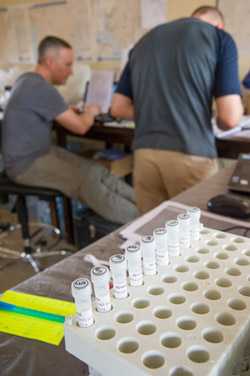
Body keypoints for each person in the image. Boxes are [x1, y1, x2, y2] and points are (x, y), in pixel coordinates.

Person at [111, 6, 243, 214]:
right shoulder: (219, 38)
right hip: (191, 154)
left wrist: (156, 113)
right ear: (219, 25)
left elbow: (118, 108)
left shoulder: (145, 42)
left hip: (145, 156)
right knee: (197, 236)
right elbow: (230, 118)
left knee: (153, 235)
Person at [2, 36, 139, 224]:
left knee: (95, 170)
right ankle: (144, 221)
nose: (71, 72)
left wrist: (69, 110)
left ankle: (145, 206)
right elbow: (81, 127)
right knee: (87, 182)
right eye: (67, 65)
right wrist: (91, 111)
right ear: (50, 62)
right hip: (26, 165)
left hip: (36, 154)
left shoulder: (26, 80)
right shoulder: (41, 88)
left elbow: (43, 108)